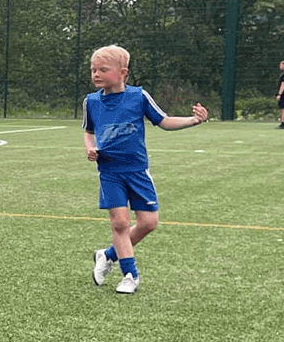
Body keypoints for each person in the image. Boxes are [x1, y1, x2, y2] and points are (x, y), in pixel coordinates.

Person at [84, 45, 208, 295]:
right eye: (93, 70)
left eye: (103, 70)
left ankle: (107, 255)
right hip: (109, 171)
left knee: (149, 223)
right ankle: (130, 275)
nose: (96, 74)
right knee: (120, 222)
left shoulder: (138, 96)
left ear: (123, 72)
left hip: (138, 171)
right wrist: (90, 148)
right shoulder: (91, 101)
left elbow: (163, 121)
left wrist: (193, 120)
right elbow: (88, 131)